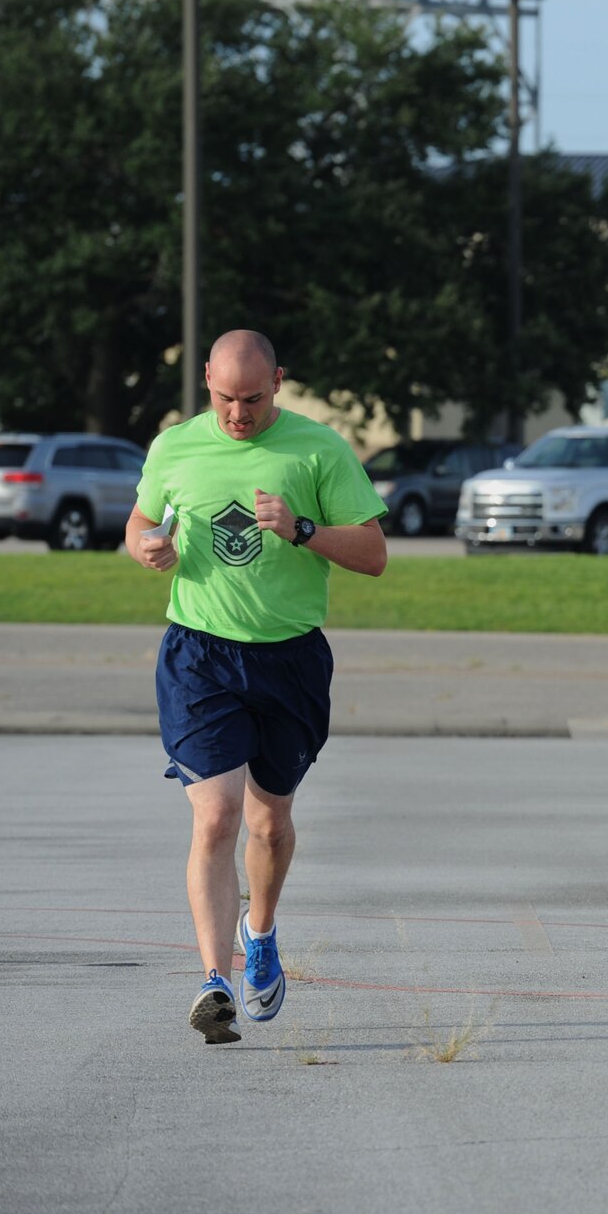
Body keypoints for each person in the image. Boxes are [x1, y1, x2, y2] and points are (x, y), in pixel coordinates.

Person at [126, 329, 388, 1045]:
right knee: (216, 817)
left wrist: (302, 528)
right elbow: (143, 520)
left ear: (278, 380)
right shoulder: (175, 447)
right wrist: (147, 546)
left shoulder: (318, 449)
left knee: (269, 823)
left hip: (290, 659)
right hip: (199, 654)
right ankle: (215, 980)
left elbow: (373, 554)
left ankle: (261, 933)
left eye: (252, 398)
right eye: (224, 398)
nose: (238, 413)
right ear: (205, 380)